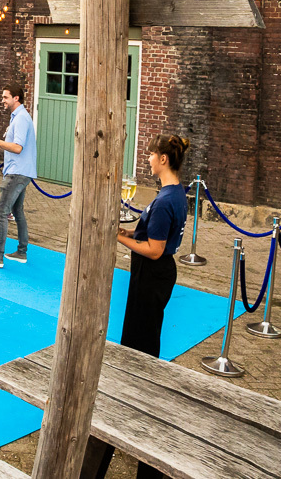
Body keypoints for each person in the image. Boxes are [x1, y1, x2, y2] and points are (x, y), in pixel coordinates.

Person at [87, 135, 191, 479]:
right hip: (153, 275)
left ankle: (138, 418)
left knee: (139, 345)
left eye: (151, 155)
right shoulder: (174, 194)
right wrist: (129, 232)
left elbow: (155, 250)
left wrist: (117, 237)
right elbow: (150, 235)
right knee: (141, 340)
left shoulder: (165, 200)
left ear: (163, 159)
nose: (148, 159)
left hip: (152, 275)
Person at [0, 87, 37, 268]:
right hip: (21, 171)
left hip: (17, 172)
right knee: (17, 210)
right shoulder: (19, 117)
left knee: (1, 211)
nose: (2, 100)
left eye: (5, 97)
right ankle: (21, 251)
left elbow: (18, 148)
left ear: (16, 98)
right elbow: (15, 145)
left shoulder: (20, 119)